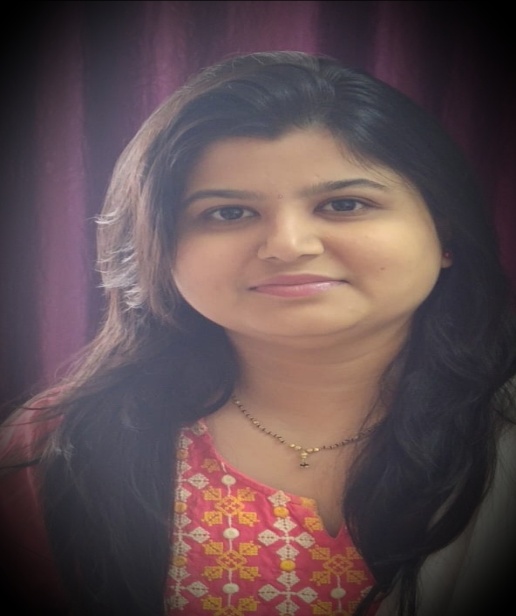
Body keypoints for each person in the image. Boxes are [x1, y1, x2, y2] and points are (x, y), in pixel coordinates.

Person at [1, 51, 515, 616]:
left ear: (445, 234)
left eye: (345, 204)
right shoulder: (60, 445)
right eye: (228, 213)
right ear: (160, 249)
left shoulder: (503, 428)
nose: (288, 246)